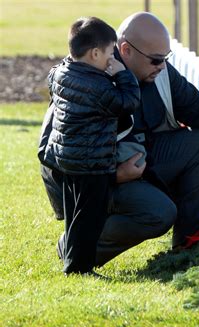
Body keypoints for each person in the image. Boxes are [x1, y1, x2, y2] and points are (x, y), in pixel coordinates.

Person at [38, 12, 199, 270]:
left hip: (132, 163)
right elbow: (52, 153)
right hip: (90, 179)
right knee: (159, 212)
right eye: (156, 60)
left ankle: (187, 248)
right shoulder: (86, 79)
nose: (162, 66)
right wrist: (113, 175)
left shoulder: (159, 72)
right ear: (125, 50)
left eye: (166, 58)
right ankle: (77, 249)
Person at [42, 17, 141, 275]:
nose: (113, 58)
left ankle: (73, 262)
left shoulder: (62, 73)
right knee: (90, 219)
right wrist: (122, 74)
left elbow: (53, 76)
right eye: (110, 52)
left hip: (67, 158)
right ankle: (79, 268)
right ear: (95, 53)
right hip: (91, 162)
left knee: (76, 215)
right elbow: (128, 102)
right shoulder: (98, 86)